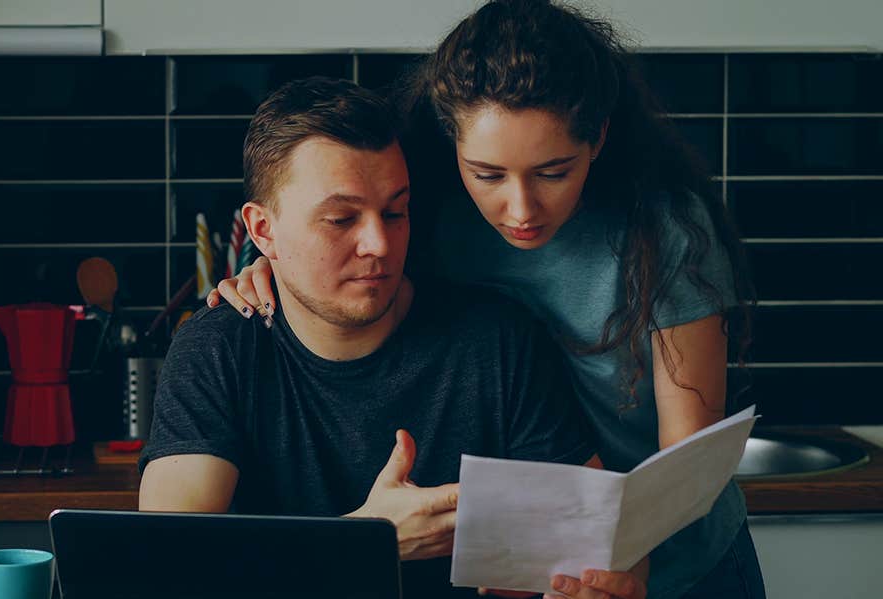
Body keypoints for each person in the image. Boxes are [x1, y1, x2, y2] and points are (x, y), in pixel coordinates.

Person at [205, 2, 764, 598]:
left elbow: (684, 464)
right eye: (489, 175)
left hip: (680, 560)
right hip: (538, 559)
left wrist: (623, 564)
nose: (520, 211)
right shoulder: (431, 211)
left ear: (597, 137)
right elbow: (328, 218)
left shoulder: (663, 231)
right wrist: (266, 265)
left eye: (553, 172)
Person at [139, 76, 647, 599]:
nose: (379, 244)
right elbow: (165, 574)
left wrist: (599, 583)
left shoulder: (496, 341)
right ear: (263, 231)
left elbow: (605, 545)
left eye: (395, 211)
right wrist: (364, 542)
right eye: (341, 219)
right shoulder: (217, 350)